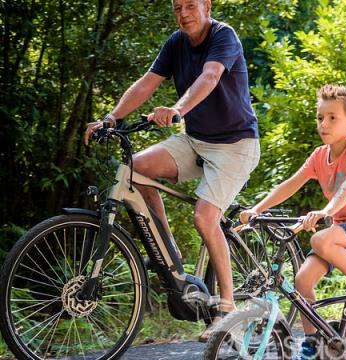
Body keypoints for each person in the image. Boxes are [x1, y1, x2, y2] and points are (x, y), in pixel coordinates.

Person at [83, 0, 260, 341]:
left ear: (206, 6)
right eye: (177, 7)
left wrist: (177, 109)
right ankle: (170, 258)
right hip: (196, 140)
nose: (183, 13)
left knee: (205, 217)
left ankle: (227, 309)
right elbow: (147, 83)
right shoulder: (175, 42)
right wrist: (112, 118)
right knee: (135, 169)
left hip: (236, 145)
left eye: (190, 5)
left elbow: (210, 77)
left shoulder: (224, 36)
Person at [239, 84, 346, 360]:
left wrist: (325, 211)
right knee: (302, 279)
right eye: (320, 117)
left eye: (333, 117)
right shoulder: (320, 155)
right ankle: (313, 342)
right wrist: (257, 209)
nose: (324, 123)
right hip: (341, 230)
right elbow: (290, 184)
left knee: (320, 238)